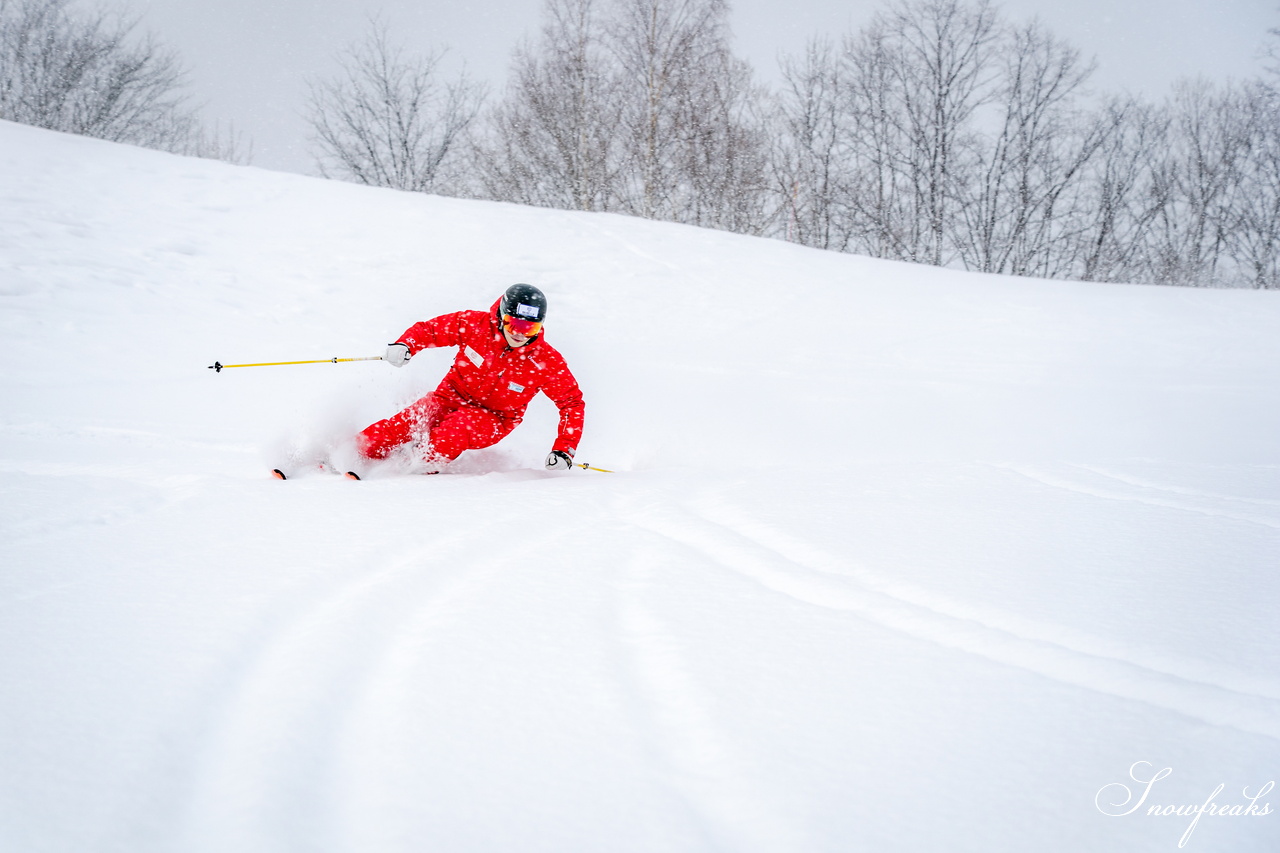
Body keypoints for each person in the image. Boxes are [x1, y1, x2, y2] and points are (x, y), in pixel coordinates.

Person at [355, 283, 584, 472]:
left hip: (495, 418)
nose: (519, 334)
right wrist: (406, 344)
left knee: (453, 431)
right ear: (501, 316)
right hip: (448, 398)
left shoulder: (545, 361)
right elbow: (431, 330)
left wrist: (564, 449)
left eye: (529, 329)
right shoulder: (476, 326)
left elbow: (571, 403)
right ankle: (352, 454)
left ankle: (409, 469)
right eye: (513, 324)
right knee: (401, 426)